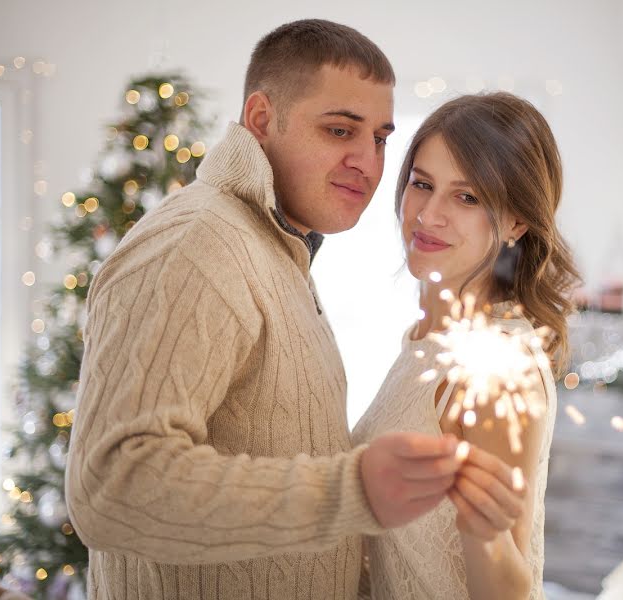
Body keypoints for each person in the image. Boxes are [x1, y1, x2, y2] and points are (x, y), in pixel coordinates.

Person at [64, 19, 522, 600]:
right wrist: (352, 489)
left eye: (380, 139)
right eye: (338, 130)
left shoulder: (274, 248)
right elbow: (110, 489)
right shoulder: (198, 246)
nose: (369, 164)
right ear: (261, 121)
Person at [353, 92, 580, 600]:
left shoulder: (497, 368)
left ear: (517, 221)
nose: (429, 215)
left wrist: (486, 530)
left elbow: (508, 593)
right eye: (422, 184)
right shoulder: (427, 339)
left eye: (467, 197)